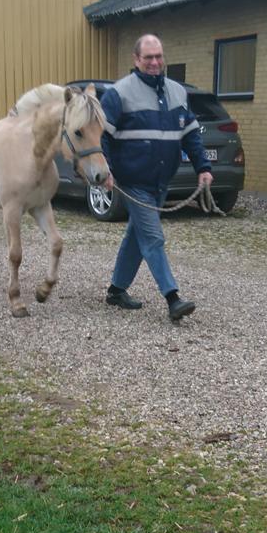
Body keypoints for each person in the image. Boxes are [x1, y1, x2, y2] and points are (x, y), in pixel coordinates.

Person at [101, 35, 213, 321]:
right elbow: (103, 137)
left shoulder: (177, 92)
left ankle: (116, 290)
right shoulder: (118, 93)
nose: (154, 62)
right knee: (152, 237)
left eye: (158, 56)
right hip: (133, 180)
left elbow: (190, 135)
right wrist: (106, 172)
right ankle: (172, 297)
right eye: (148, 57)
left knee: (136, 237)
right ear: (136, 59)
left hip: (162, 180)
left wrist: (203, 167)